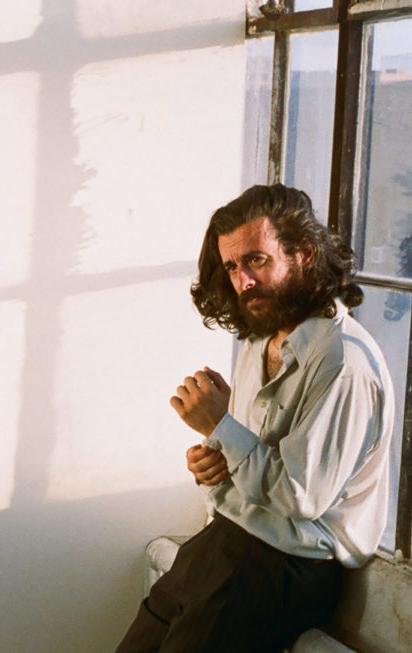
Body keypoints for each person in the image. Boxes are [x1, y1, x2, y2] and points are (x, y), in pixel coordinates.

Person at [116, 185, 393, 651]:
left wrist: (220, 426)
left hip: (281, 566)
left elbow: (300, 497)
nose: (243, 280)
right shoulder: (258, 340)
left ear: (304, 253)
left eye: (256, 260)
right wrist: (213, 465)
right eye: (232, 267)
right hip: (222, 541)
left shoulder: (343, 361)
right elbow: (252, 462)